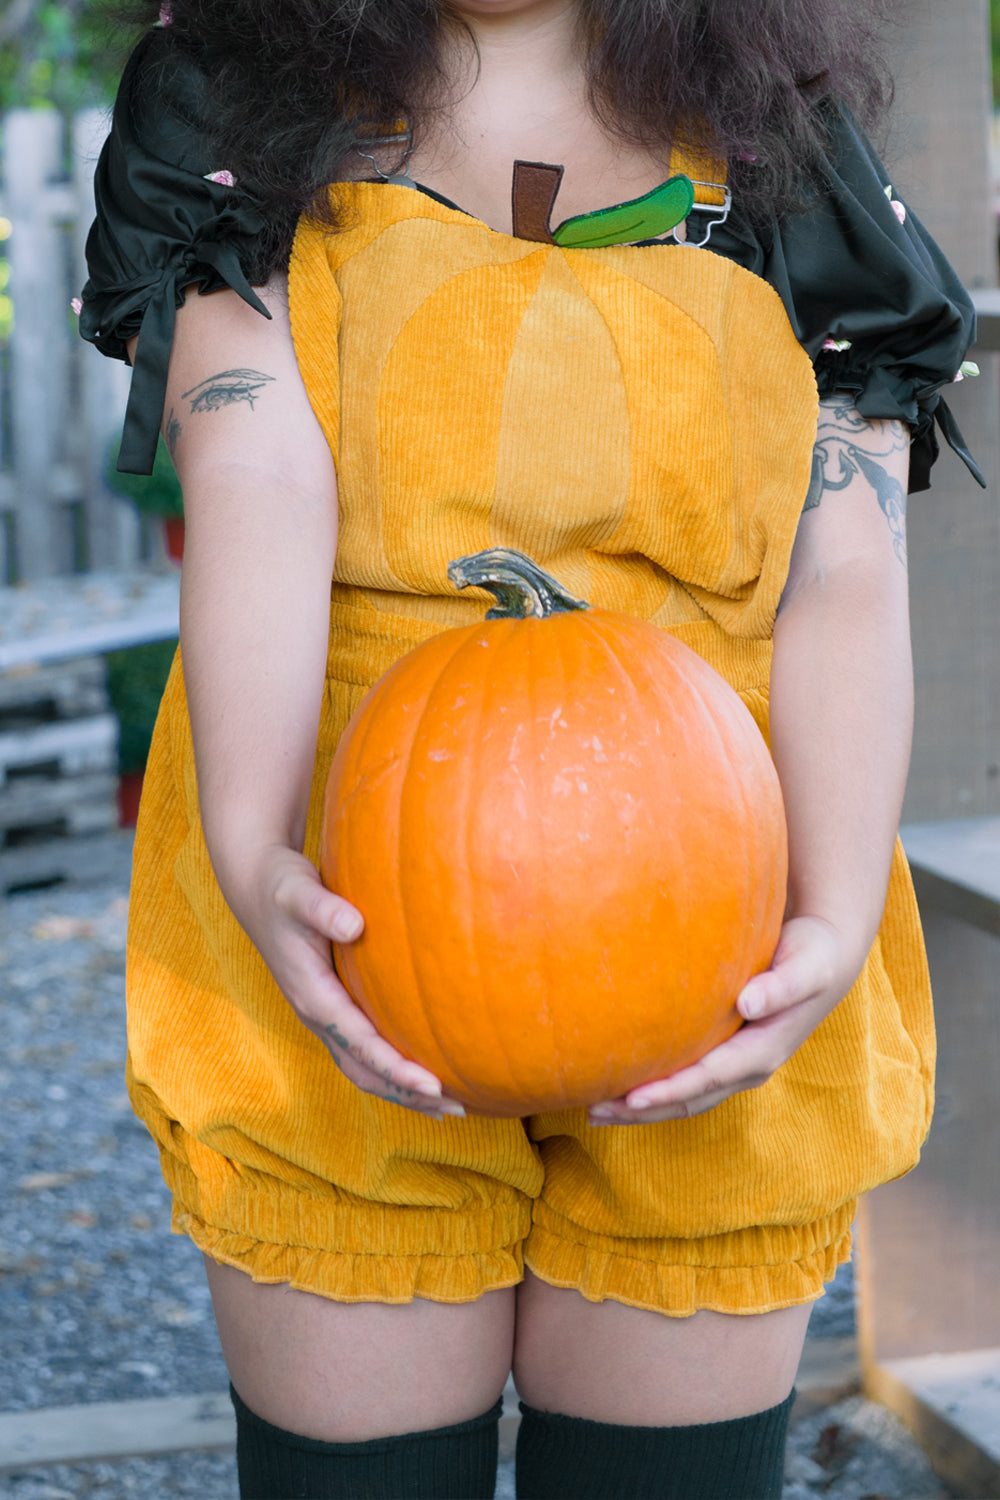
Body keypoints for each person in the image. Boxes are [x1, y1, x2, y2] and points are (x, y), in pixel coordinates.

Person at [80, 2, 981, 1496]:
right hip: (342, 877)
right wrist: (249, 850)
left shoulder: (776, 132)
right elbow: (254, 464)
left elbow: (845, 563)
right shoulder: (229, 98)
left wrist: (828, 919)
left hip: (722, 907)